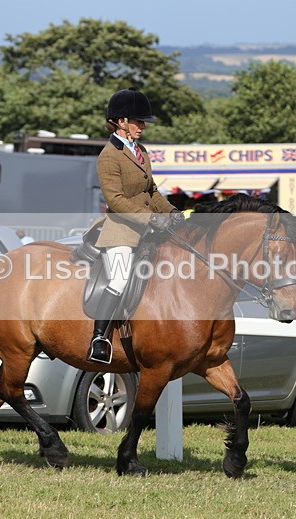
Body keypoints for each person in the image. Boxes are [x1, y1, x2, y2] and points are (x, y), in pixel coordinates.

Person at [88, 87, 183, 364]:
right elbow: (115, 200)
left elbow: (152, 191)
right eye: (138, 121)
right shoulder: (109, 155)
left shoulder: (140, 151)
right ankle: (99, 338)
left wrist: (171, 211)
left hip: (149, 229)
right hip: (121, 230)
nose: (142, 126)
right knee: (119, 278)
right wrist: (150, 218)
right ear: (121, 122)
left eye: (142, 122)